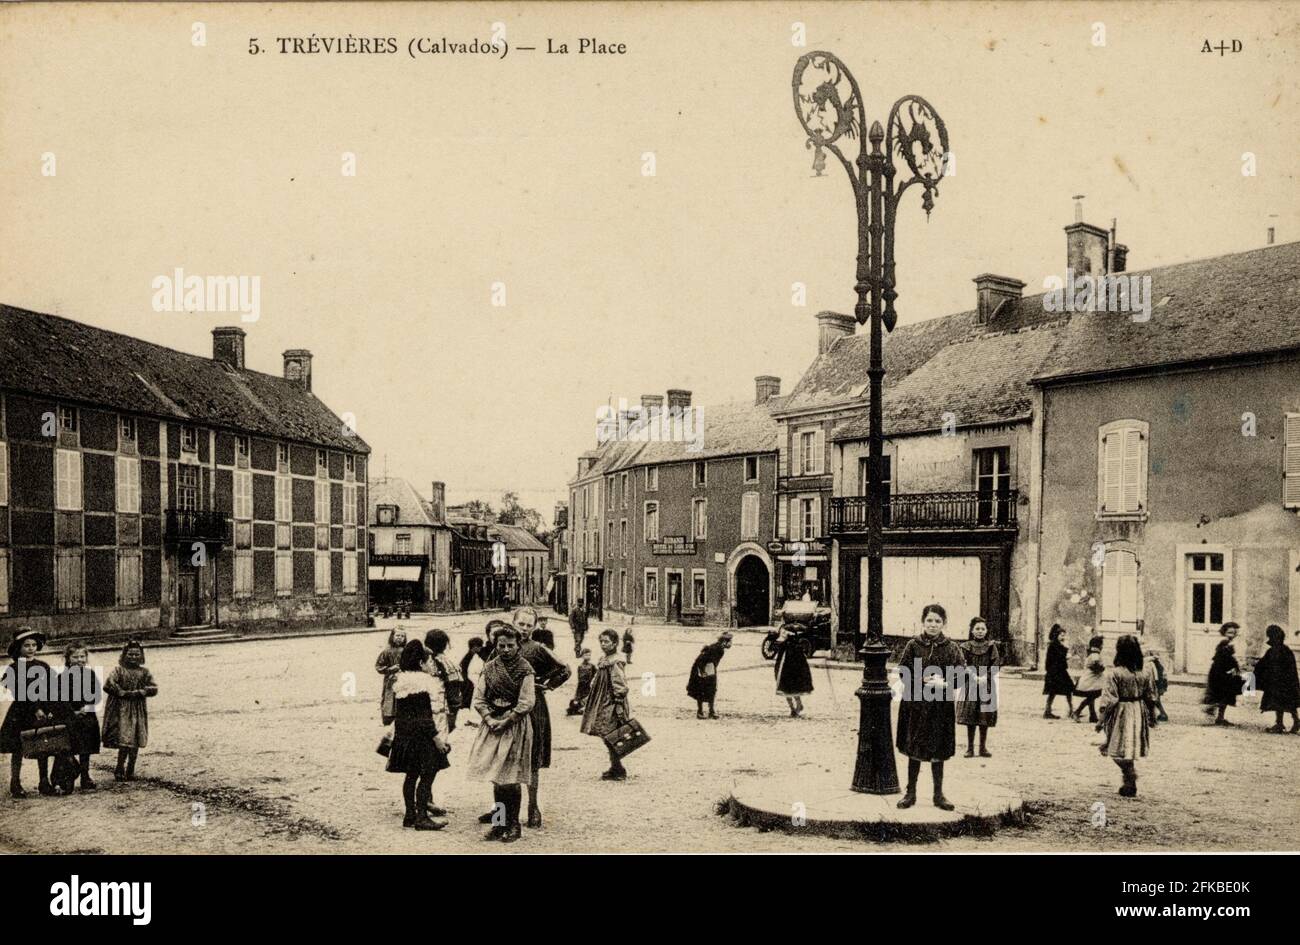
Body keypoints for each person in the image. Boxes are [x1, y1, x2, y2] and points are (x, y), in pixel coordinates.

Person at [466, 626, 535, 843]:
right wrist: (488, 718)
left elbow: (527, 701)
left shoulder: (525, 669)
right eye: (501, 645)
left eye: (510, 646)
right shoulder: (489, 668)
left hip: (514, 726)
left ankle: (513, 825)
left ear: (518, 645)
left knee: (511, 778)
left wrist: (506, 720)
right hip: (492, 726)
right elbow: (478, 698)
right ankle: (498, 823)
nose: (505, 650)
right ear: (495, 645)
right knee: (496, 778)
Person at [896, 604, 966, 810]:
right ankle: (910, 793)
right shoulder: (912, 645)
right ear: (923, 622)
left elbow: (961, 676)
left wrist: (944, 683)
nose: (933, 625)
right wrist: (919, 680)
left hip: (939, 709)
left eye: (937, 621)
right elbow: (902, 671)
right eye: (929, 620)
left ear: (944, 624)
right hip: (915, 706)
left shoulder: (952, 648)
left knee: (938, 749)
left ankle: (938, 794)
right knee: (914, 748)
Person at [514, 607, 571, 829]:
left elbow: (564, 670)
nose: (525, 629)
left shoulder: (537, 649)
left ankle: (533, 807)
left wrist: (546, 684)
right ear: (514, 622)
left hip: (534, 708)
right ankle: (501, 812)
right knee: (504, 759)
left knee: (532, 759)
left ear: (535, 627)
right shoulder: (503, 644)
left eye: (529, 625)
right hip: (507, 707)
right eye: (522, 624)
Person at [387, 639, 450, 830]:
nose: (431, 663)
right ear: (421, 663)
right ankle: (422, 817)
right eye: (428, 661)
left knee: (411, 775)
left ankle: (409, 815)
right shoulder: (422, 684)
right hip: (421, 738)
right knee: (428, 773)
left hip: (405, 736)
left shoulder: (401, 682)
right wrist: (437, 739)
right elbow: (424, 717)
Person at [1097, 634, 1157, 797]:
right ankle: (1129, 779)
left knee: (1115, 747)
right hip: (1138, 710)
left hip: (1122, 711)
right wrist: (1152, 715)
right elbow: (1151, 696)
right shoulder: (1145, 672)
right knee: (1129, 746)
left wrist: (1101, 721)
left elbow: (1109, 700)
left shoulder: (1114, 673)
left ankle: (1129, 775)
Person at [1, 628, 54, 798]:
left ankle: (44, 781)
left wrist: (49, 709)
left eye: (34, 645)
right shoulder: (14, 668)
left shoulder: (43, 666)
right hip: (21, 712)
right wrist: (35, 708)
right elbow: (16, 690)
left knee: (43, 745)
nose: (31, 648)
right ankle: (15, 782)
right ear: (19, 648)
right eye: (26, 645)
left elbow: (52, 689)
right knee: (18, 748)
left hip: (42, 710)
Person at [101, 640, 158, 781]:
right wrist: (122, 693)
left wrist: (141, 692)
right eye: (130, 654)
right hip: (121, 709)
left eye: (136, 654)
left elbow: (153, 687)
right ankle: (120, 766)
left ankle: (131, 768)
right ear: (124, 655)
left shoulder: (144, 672)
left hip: (137, 709)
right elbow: (109, 684)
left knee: (136, 737)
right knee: (125, 738)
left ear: (141, 656)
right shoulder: (118, 670)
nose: (133, 657)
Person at [48, 644, 102, 794]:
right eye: (75, 657)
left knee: (86, 748)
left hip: (87, 716)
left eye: (82, 656)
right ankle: (67, 776)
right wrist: (73, 712)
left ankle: (85, 776)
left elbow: (96, 695)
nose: (80, 660)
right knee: (68, 748)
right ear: (68, 659)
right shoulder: (62, 678)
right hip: (70, 718)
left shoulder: (90, 675)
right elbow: (59, 700)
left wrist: (88, 707)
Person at [580, 629, 630, 780]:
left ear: (615, 643)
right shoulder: (605, 659)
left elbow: (620, 684)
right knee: (607, 735)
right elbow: (598, 678)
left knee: (611, 736)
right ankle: (615, 767)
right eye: (601, 641)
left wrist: (619, 704)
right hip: (603, 701)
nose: (603, 644)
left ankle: (618, 769)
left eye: (606, 641)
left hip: (613, 703)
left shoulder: (615, 662)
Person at [957, 617, 1000, 757]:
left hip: (986, 684)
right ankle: (970, 748)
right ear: (972, 630)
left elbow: (995, 664)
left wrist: (985, 677)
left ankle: (982, 747)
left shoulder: (991, 646)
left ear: (986, 631)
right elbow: (963, 663)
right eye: (977, 629)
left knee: (984, 715)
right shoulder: (965, 647)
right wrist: (974, 676)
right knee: (971, 716)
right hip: (971, 683)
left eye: (983, 629)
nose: (980, 631)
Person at [1253, 624, 1300, 734]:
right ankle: (1296, 721)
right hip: (1288, 683)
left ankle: (1280, 724)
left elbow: (1264, 665)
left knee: (1278, 703)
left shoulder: (1274, 651)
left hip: (1277, 684)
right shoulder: (1287, 650)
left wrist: (1256, 671)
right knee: (1289, 703)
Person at [1202, 622, 1244, 725]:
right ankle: (1213, 710)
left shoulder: (1229, 643)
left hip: (1226, 672)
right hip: (1220, 672)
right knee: (1221, 694)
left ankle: (1220, 716)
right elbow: (1222, 659)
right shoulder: (1224, 643)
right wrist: (1231, 669)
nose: (1232, 635)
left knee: (1225, 695)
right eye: (1229, 632)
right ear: (1224, 633)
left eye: (1234, 633)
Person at [423, 629, 463, 735]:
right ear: (445, 645)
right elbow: (454, 690)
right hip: (442, 709)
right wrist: (454, 711)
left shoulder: (423, 662)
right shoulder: (449, 663)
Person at [687, 632, 733, 719]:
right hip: (701, 668)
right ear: (724, 642)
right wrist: (702, 671)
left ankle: (711, 711)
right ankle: (700, 712)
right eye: (729, 641)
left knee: (712, 689)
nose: (730, 643)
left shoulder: (719, 648)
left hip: (709, 668)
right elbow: (701, 659)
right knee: (701, 690)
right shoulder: (717, 649)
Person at [773, 626, 813, 717]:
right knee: (786, 689)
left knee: (791, 688)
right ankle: (792, 708)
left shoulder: (794, 647)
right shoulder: (788, 643)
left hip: (789, 669)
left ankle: (797, 706)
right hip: (783, 667)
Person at [1042, 624, 1076, 719]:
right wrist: (1066, 652)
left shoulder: (1057, 645)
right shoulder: (1054, 645)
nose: (1063, 637)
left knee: (1067, 690)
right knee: (1054, 691)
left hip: (1059, 671)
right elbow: (1057, 658)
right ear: (1056, 635)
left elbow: (1060, 658)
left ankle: (1070, 710)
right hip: (1055, 672)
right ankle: (1048, 711)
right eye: (1061, 635)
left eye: (1064, 635)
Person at [1071, 635, 1106, 724]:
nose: (1102, 646)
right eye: (1102, 644)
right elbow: (1096, 666)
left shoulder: (1092, 654)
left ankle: (1092, 715)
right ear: (1098, 645)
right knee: (1092, 696)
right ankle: (1077, 711)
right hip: (1091, 680)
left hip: (1091, 680)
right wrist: (1102, 668)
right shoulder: (1095, 655)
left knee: (1091, 696)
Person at [375, 629, 406, 726]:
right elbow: (378, 666)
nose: (399, 638)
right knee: (389, 699)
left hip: (404, 680)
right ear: (392, 637)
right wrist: (389, 669)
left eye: (402, 636)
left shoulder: (407, 651)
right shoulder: (386, 651)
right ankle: (388, 719)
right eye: (397, 635)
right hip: (390, 681)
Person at [458, 637, 486, 726]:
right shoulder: (472, 657)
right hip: (472, 682)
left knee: (474, 701)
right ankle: (474, 719)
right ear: (474, 647)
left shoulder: (470, 656)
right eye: (479, 646)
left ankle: (473, 719)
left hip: (473, 682)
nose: (481, 648)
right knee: (474, 701)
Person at [1143, 645, 1170, 723]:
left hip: (1156, 684)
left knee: (1155, 700)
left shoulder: (1149, 664)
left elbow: (1155, 677)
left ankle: (1162, 714)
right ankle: (1161, 714)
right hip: (1159, 683)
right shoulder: (1157, 664)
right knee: (1156, 700)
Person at [568, 649, 595, 716]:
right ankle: (574, 708)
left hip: (589, 684)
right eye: (586, 655)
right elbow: (579, 676)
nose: (588, 656)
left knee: (588, 696)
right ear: (582, 656)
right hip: (582, 685)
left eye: (589, 655)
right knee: (579, 697)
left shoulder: (592, 666)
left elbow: (596, 673)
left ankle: (584, 708)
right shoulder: (580, 666)